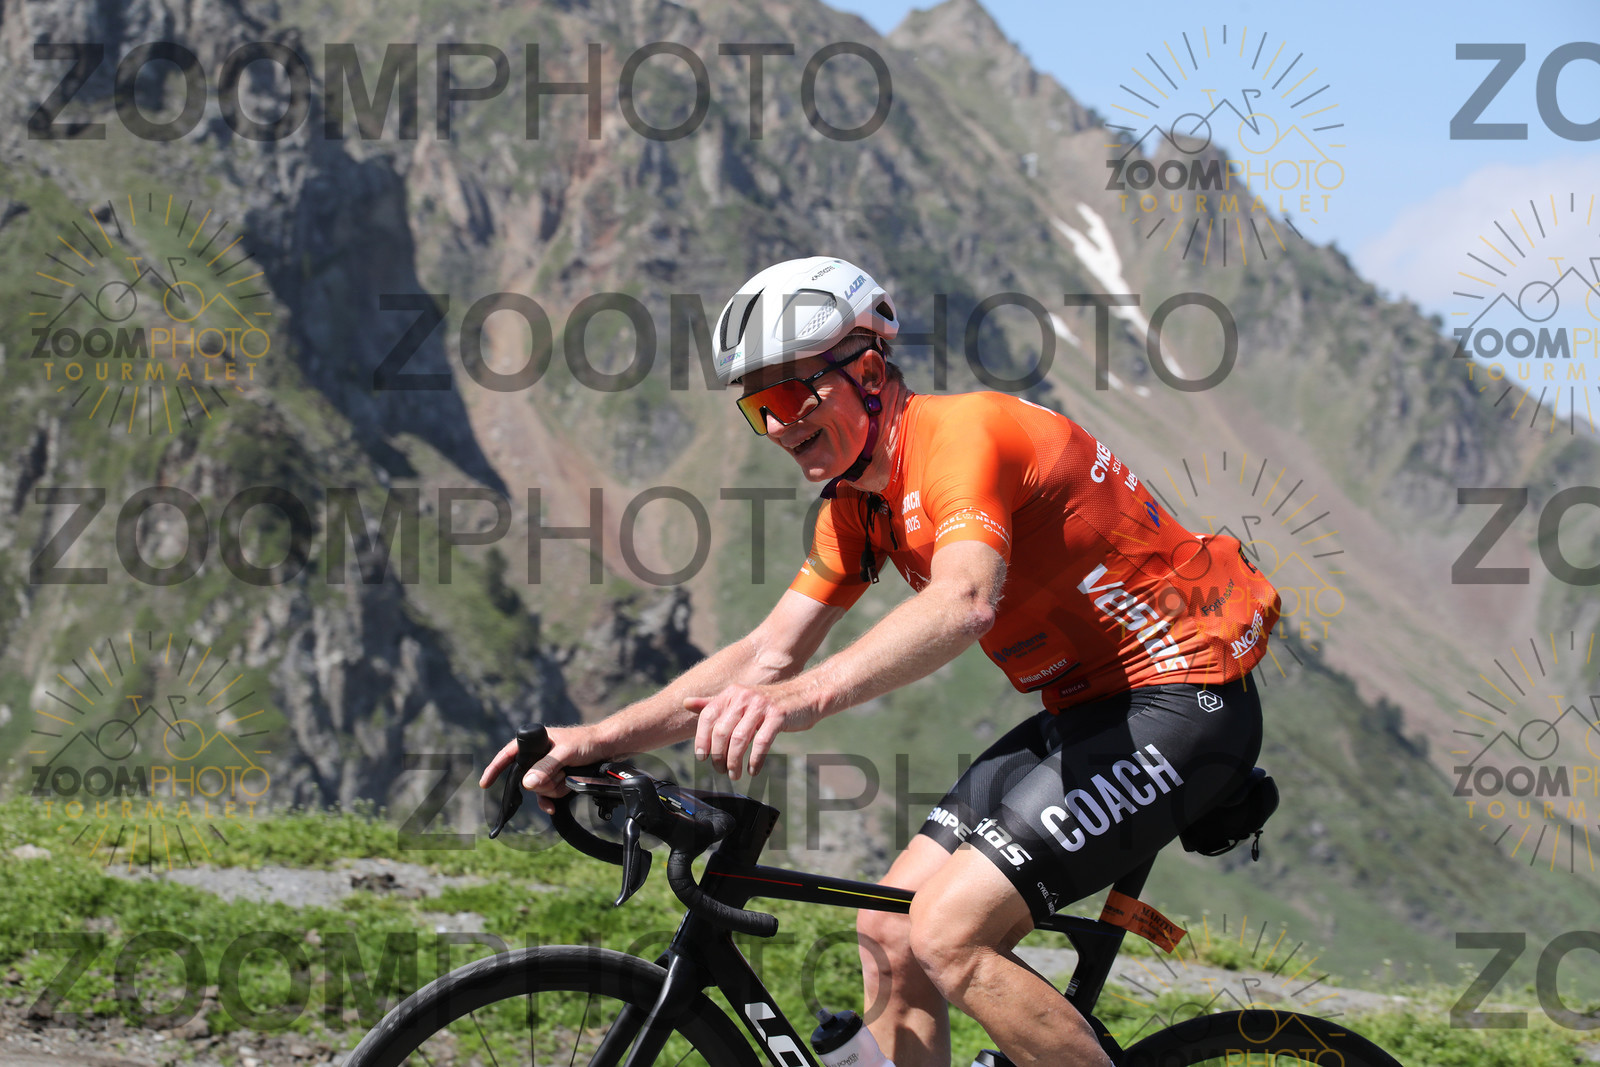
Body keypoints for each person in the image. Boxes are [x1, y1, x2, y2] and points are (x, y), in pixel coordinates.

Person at [480, 256, 1281, 1067]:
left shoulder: (963, 436)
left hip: (1185, 702)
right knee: (890, 926)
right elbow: (766, 651)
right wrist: (597, 738)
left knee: (949, 933)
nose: (779, 426)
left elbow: (964, 600)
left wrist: (801, 699)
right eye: (760, 408)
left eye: (791, 397)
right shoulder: (858, 507)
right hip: (1087, 713)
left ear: (867, 371)